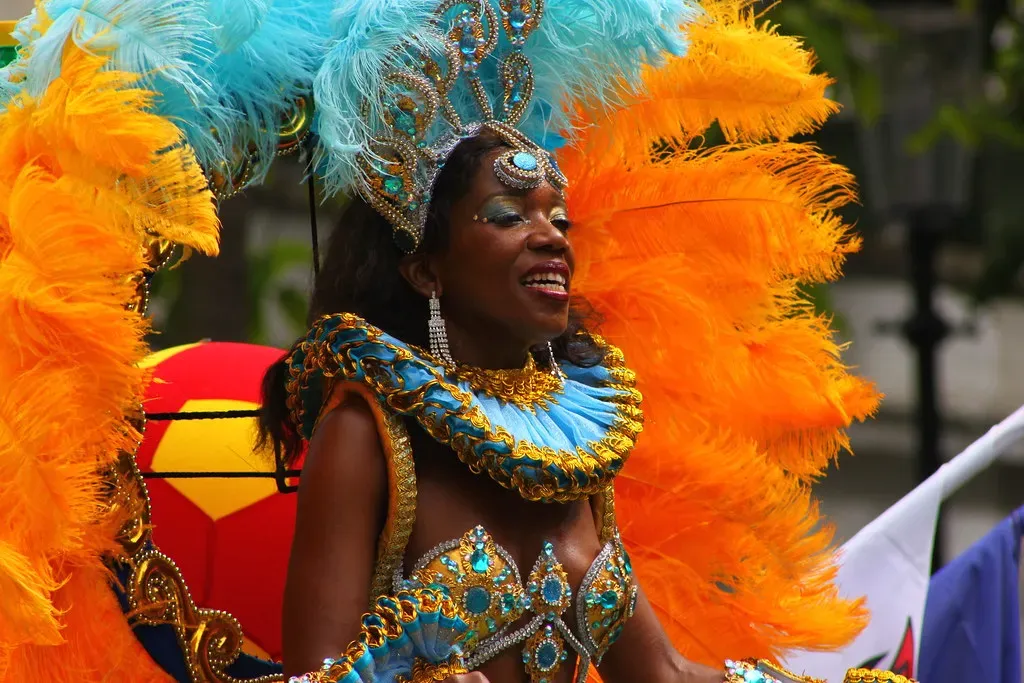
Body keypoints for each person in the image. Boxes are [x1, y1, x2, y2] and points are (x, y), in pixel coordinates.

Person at [0, 0, 896, 681]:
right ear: (426, 270)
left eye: (558, 215)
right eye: (508, 215)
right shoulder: (370, 433)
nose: (551, 235)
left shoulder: (580, 446)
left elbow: (659, 676)